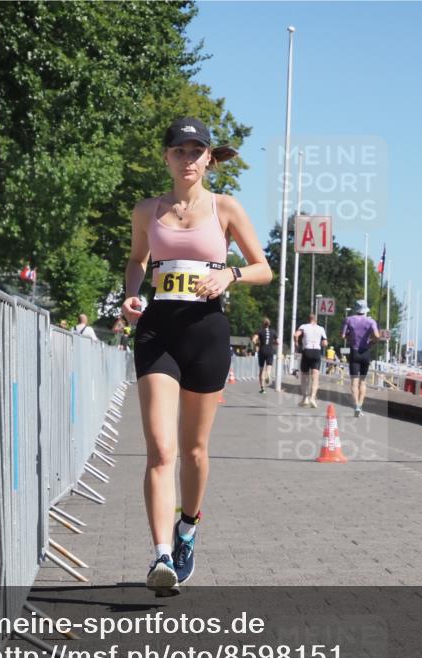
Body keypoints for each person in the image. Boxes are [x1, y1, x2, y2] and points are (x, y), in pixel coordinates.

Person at [121, 116, 271, 595]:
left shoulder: (225, 208)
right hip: (158, 331)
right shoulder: (147, 210)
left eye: (196, 151)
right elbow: (137, 260)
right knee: (161, 449)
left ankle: (188, 526)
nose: (188, 159)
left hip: (207, 331)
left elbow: (264, 268)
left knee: (194, 450)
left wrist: (230, 275)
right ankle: (162, 556)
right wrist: (130, 293)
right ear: (166, 156)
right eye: (179, 150)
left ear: (209, 158)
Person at [341, 299, 381, 417]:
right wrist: (372, 342)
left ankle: (356, 406)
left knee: (354, 381)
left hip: (354, 351)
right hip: (365, 352)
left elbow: (343, 335)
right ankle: (360, 406)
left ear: (355, 309)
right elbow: (377, 336)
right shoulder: (371, 322)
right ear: (365, 310)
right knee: (363, 381)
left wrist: (349, 337)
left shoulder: (349, 320)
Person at [294, 313, 327, 407]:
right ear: (316, 320)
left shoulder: (303, 326)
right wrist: (321, 343)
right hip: (316, 351)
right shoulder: (321, 328)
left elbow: (296, 335)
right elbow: (325, 342)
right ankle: (313, 398)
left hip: (307, 351)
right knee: (315, 376)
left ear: (308, 319)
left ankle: (305, 398)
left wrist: (296, 343)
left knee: (304, 376)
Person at [252, 316, 275, 394]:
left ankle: (262, 388)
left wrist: (257, 344)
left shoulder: (260, 331)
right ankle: (268, 374)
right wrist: (273, 343)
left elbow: (254, 339)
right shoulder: (273, 332)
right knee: (268, 368)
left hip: (262, 351)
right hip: (270, 351)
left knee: (261, 370)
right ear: (269, 324)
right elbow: (278, 341)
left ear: (263, 324)